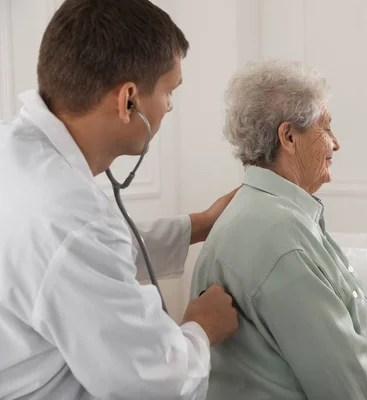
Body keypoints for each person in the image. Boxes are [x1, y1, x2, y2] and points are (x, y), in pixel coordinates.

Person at [0, 1, 238, 399]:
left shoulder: (13, 148)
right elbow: (149, 382)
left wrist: (201, 223)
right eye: (169, 91)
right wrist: (201, 328)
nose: (169, 107)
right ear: (128, 99)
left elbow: (79, 259)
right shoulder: (72, 218)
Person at [191, 60, 367, 400]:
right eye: (326, 128)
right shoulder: (279, 235)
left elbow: (357, 330)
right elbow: (347, 388)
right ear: (288, 137)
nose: (336, 143)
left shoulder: (283, 215)